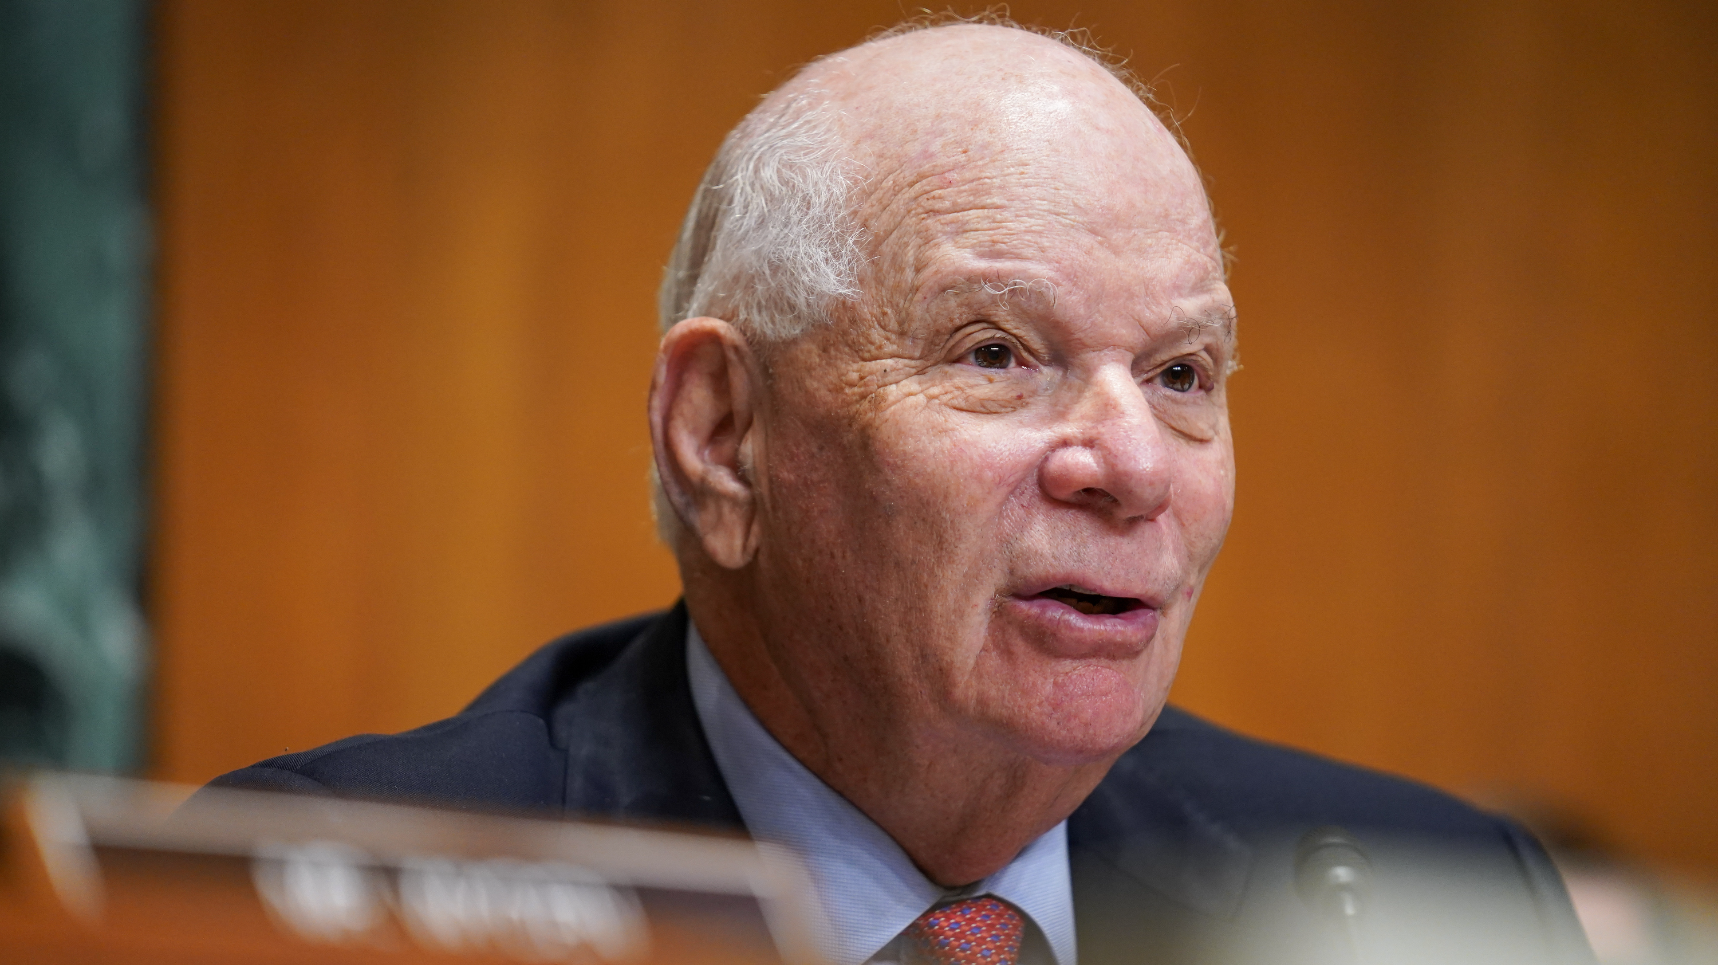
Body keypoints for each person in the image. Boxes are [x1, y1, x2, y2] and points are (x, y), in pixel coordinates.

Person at [208, 19, 1594, 965]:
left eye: (1181, 375)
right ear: (723, 434)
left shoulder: (1431, 900)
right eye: (996, 354)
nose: (1131, 466)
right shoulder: (328, 906)